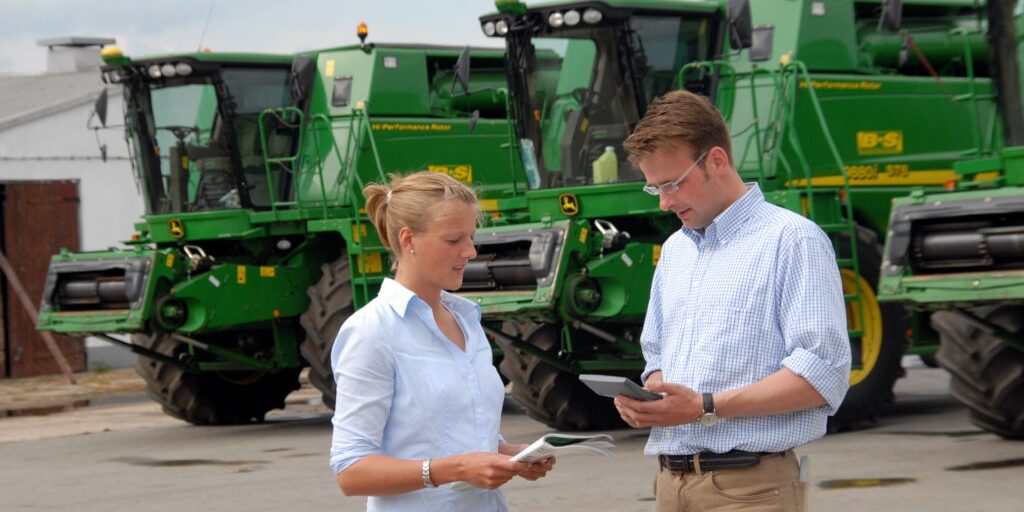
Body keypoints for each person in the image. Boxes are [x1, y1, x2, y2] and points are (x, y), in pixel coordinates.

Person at [614, 90, 851, 511]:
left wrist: (704, 406)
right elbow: (657, 358)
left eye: (672, 184)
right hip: (669, 484)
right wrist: (649, 397)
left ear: (717, 161)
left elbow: (822, 374)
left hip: (750, 491)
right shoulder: (675, 251)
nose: (666, 202)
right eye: (655, 189)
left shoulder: (791, 240)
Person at [328, 171, 555, 511]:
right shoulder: (371, 332)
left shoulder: (466, 320)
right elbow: (351, 471)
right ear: (408, 240)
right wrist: (457, 469)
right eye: (454, 240)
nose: (471, 251)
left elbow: (455, 434)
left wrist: (512, 457)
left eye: (471, 237)